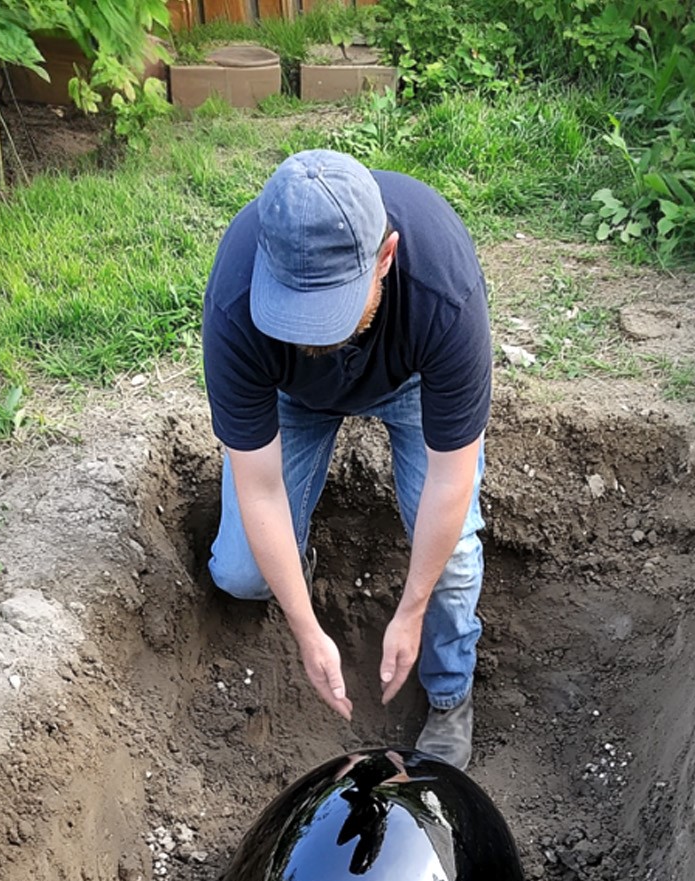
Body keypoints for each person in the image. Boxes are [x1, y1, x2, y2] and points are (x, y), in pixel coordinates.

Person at [202, 149, 491, 771]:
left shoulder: (443, 290)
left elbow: (451, 477)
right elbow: (259, 488)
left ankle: (450, 695)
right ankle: (296, 556)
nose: (311, 335)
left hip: (411, 380)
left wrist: (410, 610)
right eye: (295, 313)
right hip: (293, 394)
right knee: (243, 573)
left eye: (329, 311)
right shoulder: (235, 304)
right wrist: (306, 628)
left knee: (454, 553)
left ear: (384, 258)